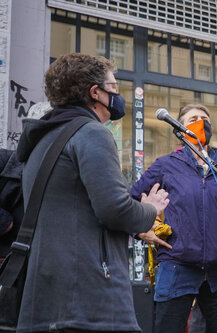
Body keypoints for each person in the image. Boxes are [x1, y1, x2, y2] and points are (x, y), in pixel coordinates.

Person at [15, 53, 169, 332]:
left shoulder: (42, 141)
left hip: (44, 301)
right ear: (95, 92)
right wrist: (150, 209)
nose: (117, 95)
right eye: (113, 88)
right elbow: (116, 209)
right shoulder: (91, 133)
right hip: (90, 300)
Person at [131, 104, 217, 332]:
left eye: (204, 118)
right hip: (177, 263)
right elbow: (131, 199)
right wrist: (141, 229)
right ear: (179, 129)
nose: (201, 122)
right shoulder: (166, 164)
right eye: (193, 119)